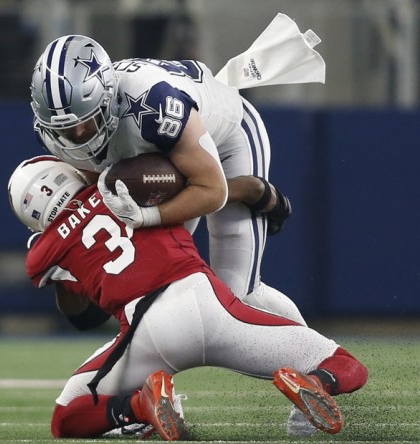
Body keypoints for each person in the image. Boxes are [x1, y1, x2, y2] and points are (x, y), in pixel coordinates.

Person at [7, 155, 368, 440]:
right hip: (206, 303)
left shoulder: (45, 253)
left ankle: (139, 405)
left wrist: (62, 265)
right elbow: (205, 188)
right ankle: (317, 382)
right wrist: (258, 192)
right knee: (344, 363)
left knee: (67, 416)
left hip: (147, 330)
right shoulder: (126, 181)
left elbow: (78, 313)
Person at [28, 34, 304, 325]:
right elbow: (108, 187)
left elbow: (211, 190)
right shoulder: (52, 134)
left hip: (225, 140)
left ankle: (323, 361)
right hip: (156, 159)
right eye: (67, 129)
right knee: (150, 296)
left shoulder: (153, 104)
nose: (80, 134)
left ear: (108, 95)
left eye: (87, 119)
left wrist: (148, 216)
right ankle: (250, 191)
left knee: (238, 295)